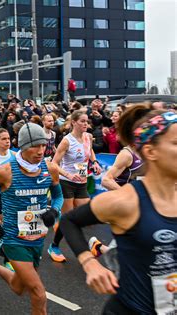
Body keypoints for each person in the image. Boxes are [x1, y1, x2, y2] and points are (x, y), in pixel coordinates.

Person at [60, 105, 176, 314]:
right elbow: (70, 220)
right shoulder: (127, 200)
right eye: (176, 143)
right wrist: (89, 263)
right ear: (151, 152)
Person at [0, 123, 63, 315]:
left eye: (43, 145)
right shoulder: (5, 171)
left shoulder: (50, 168)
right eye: (35, 146)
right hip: (14, 239)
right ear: (23, 146)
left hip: (37, 238)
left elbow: (58, 196)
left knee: (19, 287)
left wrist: (54, 211)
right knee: (38, 293)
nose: (41, 151)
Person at [49, 111, 102, 262]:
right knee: (68, 218)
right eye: (83, 121)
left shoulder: (88, 136)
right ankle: (54, 246)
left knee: (86, 215)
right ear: (73, 122)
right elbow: (54, 164)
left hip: (82, 182)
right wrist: (68, 175)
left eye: (87, 121)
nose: (86, 124)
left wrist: (95, 162)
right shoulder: (67, 141)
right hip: (67, 182)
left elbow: (90, 150)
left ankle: (87, 243)